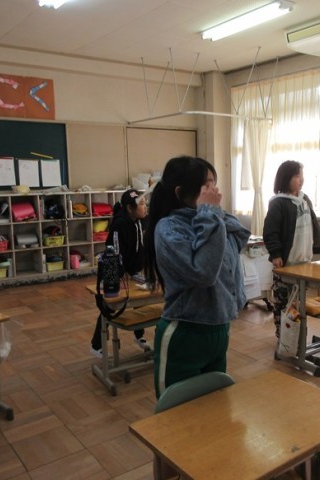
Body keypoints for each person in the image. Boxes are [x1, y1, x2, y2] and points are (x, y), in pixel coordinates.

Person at [144, 156, 250, 398]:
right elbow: (203, 273)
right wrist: (210, 213)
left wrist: (211, 213)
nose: (214, 192)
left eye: (214, 184)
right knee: (177, 410)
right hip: (185, 331)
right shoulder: (169, 228)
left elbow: (241, 234)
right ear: (180, 192)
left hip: (219, 328)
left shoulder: (211, 220)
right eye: (206, 186)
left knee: (213, 404)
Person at [263, 160, 320, 337]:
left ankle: (297, 337)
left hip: (303, 262)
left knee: (298, 302)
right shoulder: (278, 202)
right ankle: (283, 338)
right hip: (286, 264)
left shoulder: (304, 199)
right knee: (283, 302)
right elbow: (270, 231)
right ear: (286, 178)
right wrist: (276, 254)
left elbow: (313, 224)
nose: (301, 179)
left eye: (302, 176)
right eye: (297, 176)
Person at [90, 189, 149, 359]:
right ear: (130, 209)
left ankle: (139, 335)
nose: (145, 206)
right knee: (109, 306)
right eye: (142, 204)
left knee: (139, 300)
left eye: (145, 203)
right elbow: (115, 252)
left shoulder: (140, 220)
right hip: (113, 269)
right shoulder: (120, 224)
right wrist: (121, 273)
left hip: (132, 270)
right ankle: (96, 345)